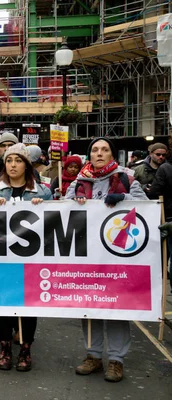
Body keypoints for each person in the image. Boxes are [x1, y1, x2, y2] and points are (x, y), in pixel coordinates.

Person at [65, 137, 148, 382]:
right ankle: (93, 355)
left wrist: (126, 200)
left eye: (105, 150)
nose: (99, 153)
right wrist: (74, 204)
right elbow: (60, 210)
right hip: (86, 257)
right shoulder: (79, 182)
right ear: (89, 155)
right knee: (89, 307)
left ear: (112, 155)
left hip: (116, 258)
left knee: (117, 307)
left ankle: (116, 360)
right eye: (95, 150)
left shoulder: (126, 179)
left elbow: (147, 208)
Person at [0, 143, 52, 372]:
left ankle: (25, 350)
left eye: (18, 161)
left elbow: (56, 222)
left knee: (28, 308)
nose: (13, 165)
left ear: (26, 164)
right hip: (1, 259)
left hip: (30, 261)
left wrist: (43, 207)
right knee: (3, 305)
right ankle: (5, 348)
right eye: (9, 160)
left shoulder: (42, 191)